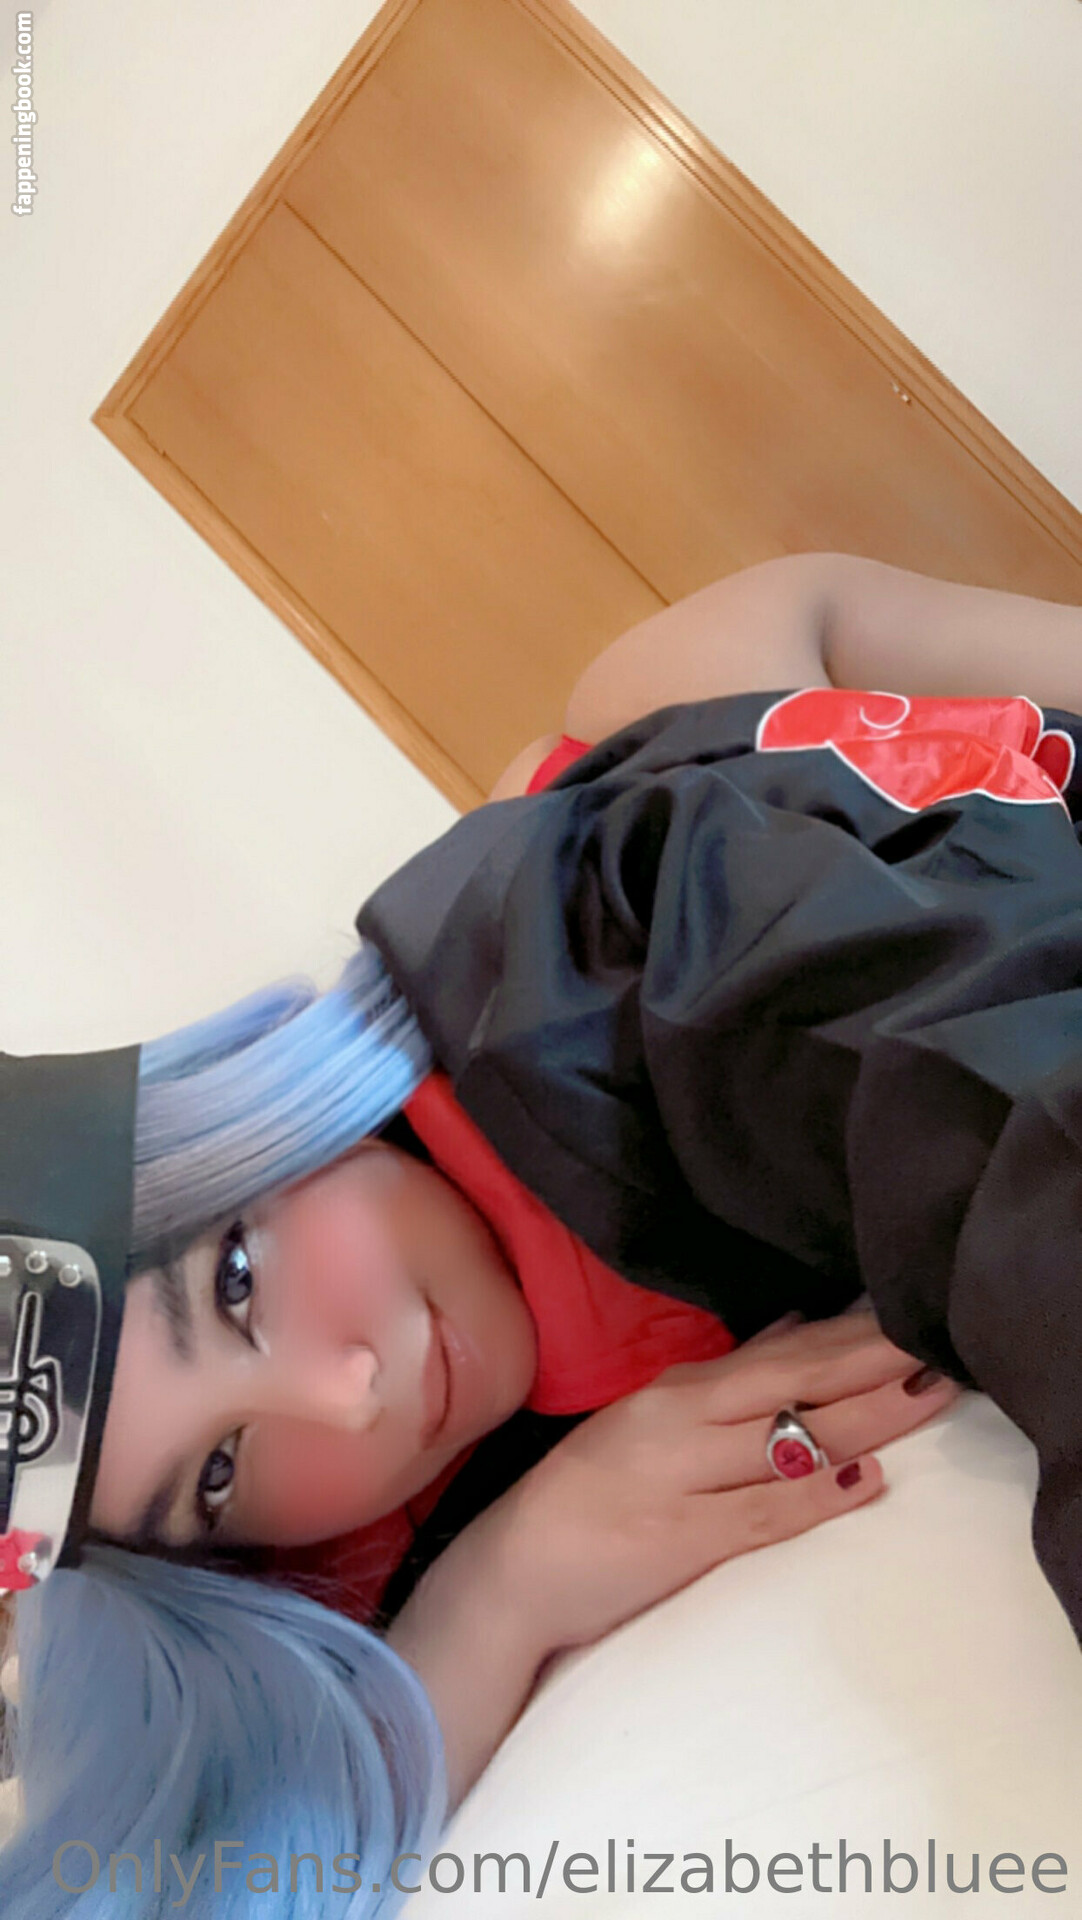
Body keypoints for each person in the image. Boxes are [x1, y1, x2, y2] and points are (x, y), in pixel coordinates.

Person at [3, 549, 1082, 1914]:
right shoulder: (373, 1522)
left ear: (246, 1123)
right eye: (216, 1473)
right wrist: (499, 1594)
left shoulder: (641, 962)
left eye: (233, 1280)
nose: (350, 1398)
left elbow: (1007, 1126)